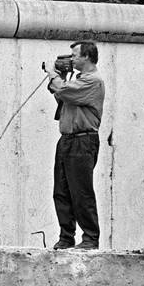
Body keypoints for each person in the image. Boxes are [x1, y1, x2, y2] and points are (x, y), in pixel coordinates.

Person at [45, 41, 105, 250]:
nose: (71, 60)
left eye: (74, 56)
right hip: (68, 139)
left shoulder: (92, 81)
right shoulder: (77, 82)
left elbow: (63, 92)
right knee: (61, 191)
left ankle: (90, 237)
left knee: (81, 191)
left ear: (87, 57)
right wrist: (59, 79)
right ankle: (66, 236)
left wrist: (53, 74)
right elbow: (62, 96)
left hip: (83, 140)